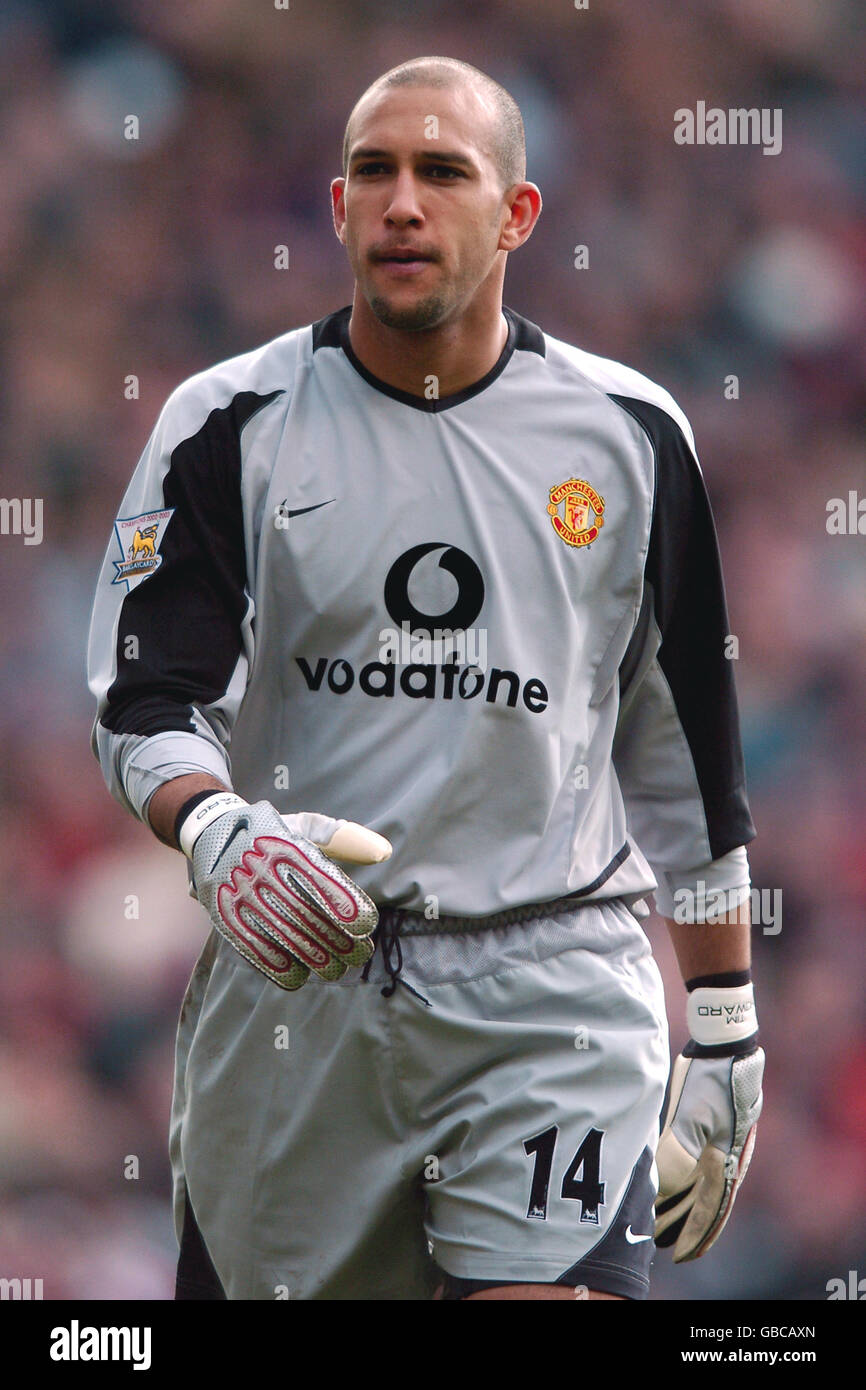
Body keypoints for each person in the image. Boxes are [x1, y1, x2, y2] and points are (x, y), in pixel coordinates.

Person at [87, 55, 763, 1302]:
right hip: (299, 983)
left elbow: (686, 767)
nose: (403, 202)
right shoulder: (225, 422)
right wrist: (220, 832)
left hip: (550, 983)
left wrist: (721, 1022)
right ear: (338, 209)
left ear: (514, 215)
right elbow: (145, 708)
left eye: (442, 172)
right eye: (376, 174)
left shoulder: (629, 437)